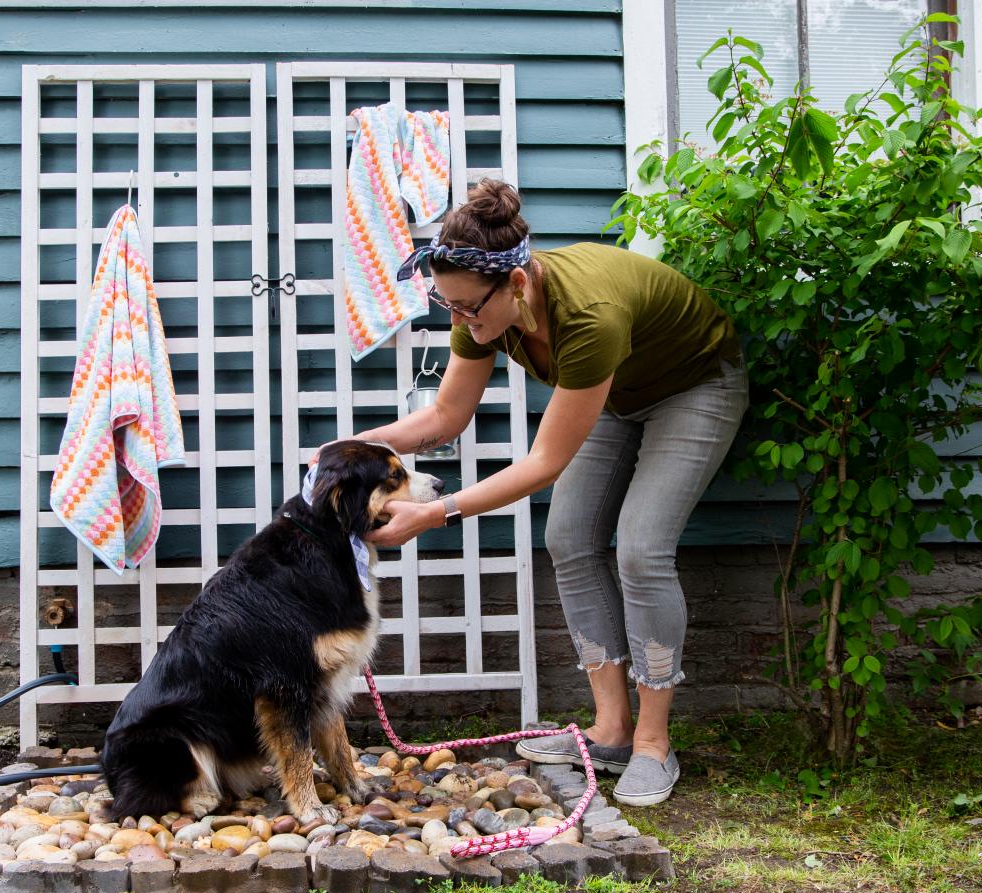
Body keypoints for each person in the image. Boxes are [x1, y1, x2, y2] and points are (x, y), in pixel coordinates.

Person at [319, 180, 748, 806]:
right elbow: (444, 417)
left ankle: (654, 743)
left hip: (696, 386)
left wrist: (434, 513)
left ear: (518, 284)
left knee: (641, 548)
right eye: (449, 306)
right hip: (616, 393)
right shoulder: (480, 304)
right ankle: (610, 730)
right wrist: (350, 447)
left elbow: (545, 462)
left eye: (468, 308)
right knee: (568, 537)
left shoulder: (588, 316)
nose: (459, 321)